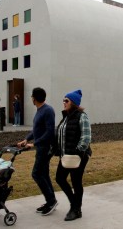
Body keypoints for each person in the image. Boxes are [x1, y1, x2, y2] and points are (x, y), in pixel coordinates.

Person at [17, 87, 58, 215]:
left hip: (45, 149)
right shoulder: (40, 110)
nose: (31, 99)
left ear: (34, 98)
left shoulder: (48, 110)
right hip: (41, 148)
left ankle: (51, 201)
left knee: (36, 174)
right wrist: (26, 139)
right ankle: (51, 200)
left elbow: (50, 132)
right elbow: (37, 130)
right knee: (43, 174)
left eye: (32, 97)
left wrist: (34, 143)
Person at [54, 89, 92, 221]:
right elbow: (59, 135)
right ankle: (74, 204)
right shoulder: (66, 117)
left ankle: (76, 210)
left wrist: (78, 152)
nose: (63, 103)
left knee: (76, 182)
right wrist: (55, 149)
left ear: (73, 103)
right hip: (65, 156)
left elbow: (86, 137)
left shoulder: (82, 116)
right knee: (59, 178)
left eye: (66, 100)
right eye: (63, 100)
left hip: (77, 156)